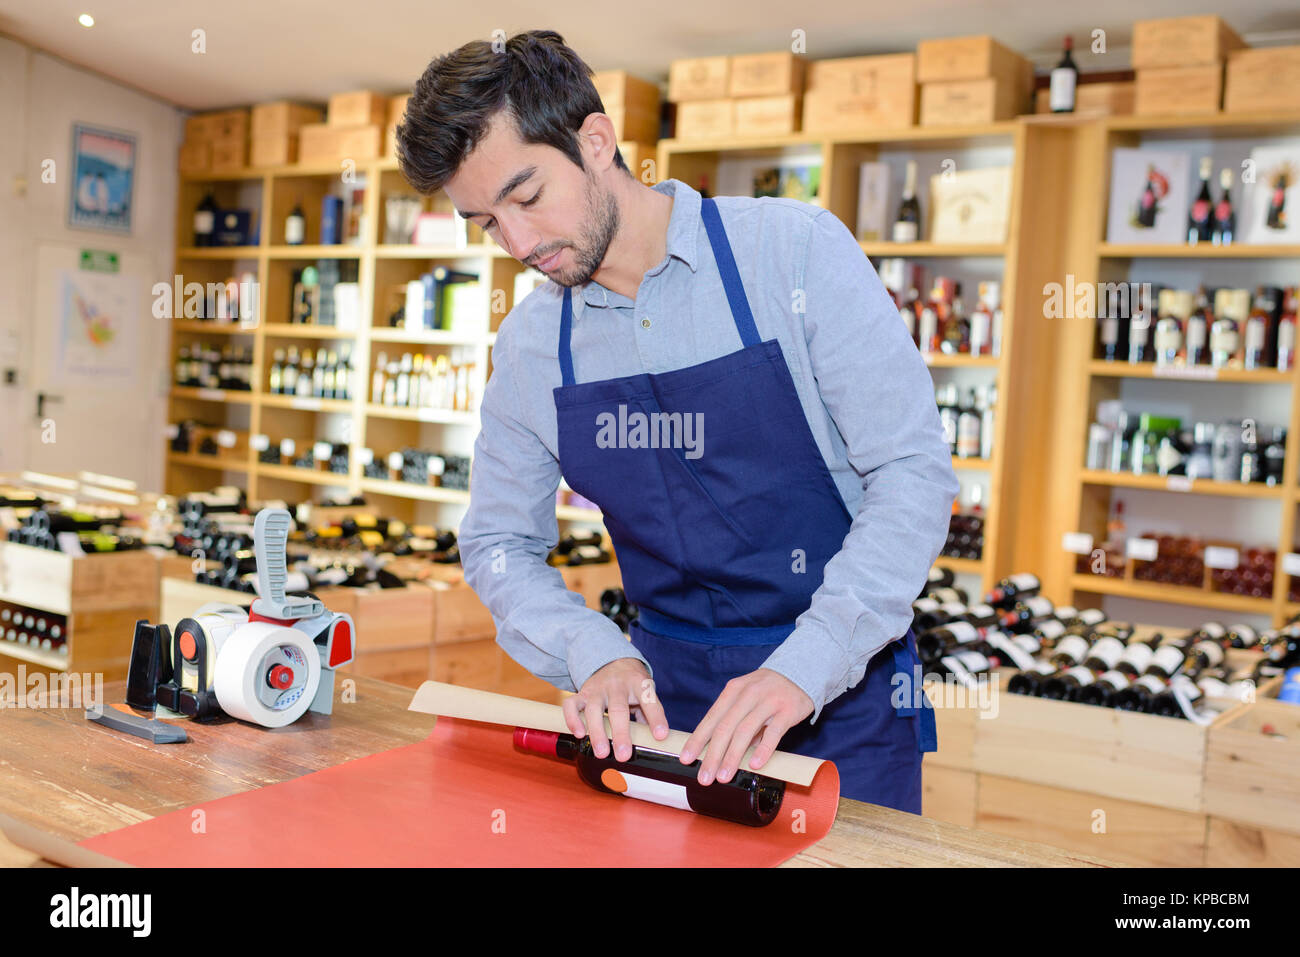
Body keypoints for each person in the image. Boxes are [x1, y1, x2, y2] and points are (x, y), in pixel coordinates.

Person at [396, 30, 959, 812]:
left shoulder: (791, 256)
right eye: (487, 223)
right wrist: (588, 652)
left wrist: (808, 663)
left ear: (596, 140)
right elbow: (498, 544)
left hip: (844, 702)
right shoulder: (531, 348)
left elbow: (912, 475)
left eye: (525, 197)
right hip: (657, 716)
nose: (518, 244)